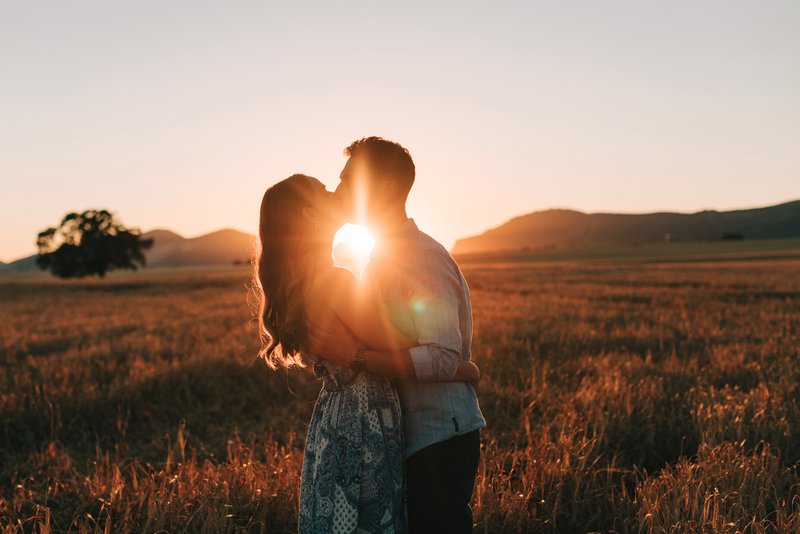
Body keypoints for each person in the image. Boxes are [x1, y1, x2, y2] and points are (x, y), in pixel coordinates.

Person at [251, 174, 480, 533]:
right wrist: (464, 369)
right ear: (310, 214)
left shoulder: (305, 283)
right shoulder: (335, 280)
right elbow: (397, 345)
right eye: (324, 190)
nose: (336, 192)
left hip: (333, 417)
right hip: (363, 418)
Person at [308, 137, 487, 533]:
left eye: (349, 180)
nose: (338, 190)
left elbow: (442, 356)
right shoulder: (378, 259)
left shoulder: (421, 257)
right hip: (403, 434)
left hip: (437, 434)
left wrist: (356, 357)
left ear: (387, 189)